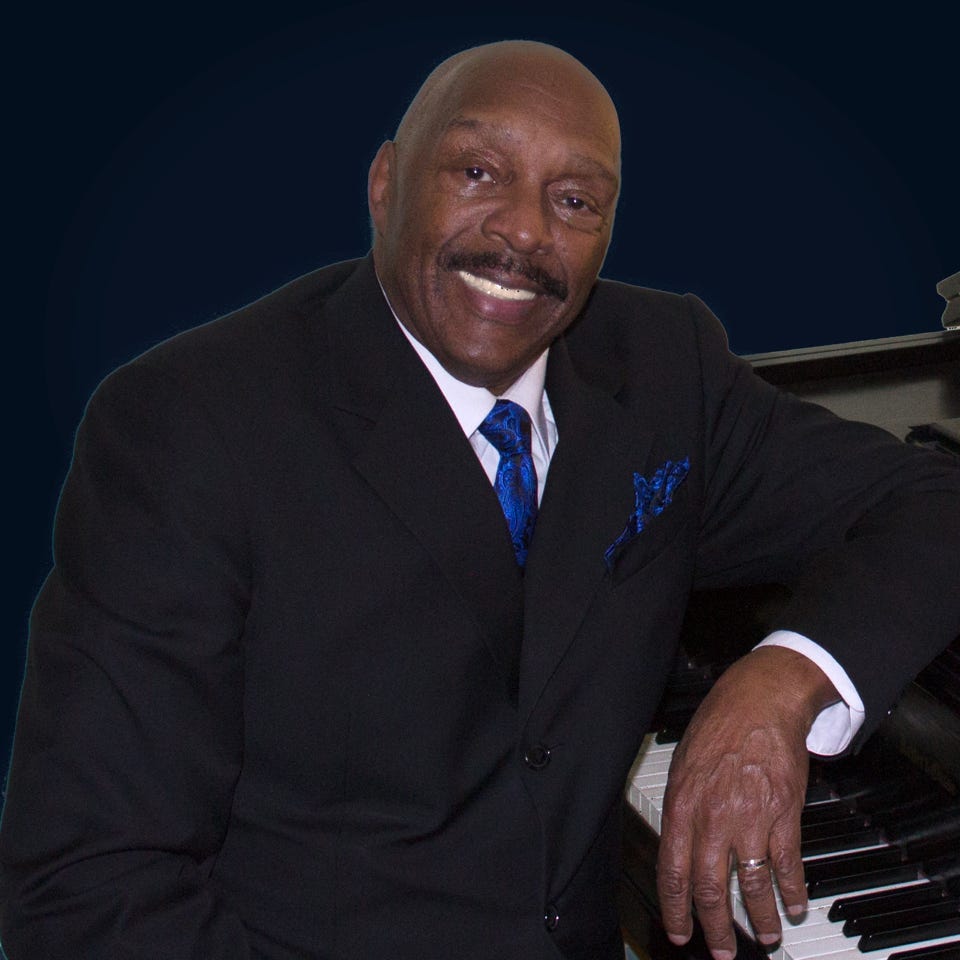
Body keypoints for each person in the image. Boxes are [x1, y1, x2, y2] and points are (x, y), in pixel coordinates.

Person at [1, 39, 958, 960]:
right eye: (478, 173)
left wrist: (778, 684)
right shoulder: (190, 427)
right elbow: (88, 883)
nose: (526, 232)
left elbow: (935, 499)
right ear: (385, 184)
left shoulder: (666, 368)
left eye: (574, 199)